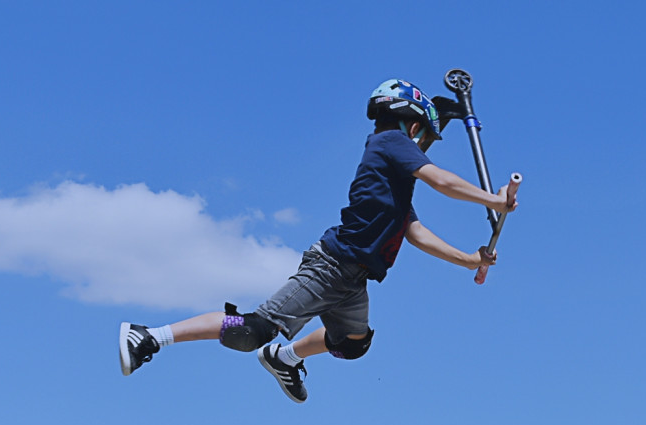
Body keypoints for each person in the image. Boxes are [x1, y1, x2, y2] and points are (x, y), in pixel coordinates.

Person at [119, 78, 517, 403]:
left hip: (353, 280)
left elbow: (416, 233)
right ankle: (149, 335)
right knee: (252, 330)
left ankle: (283, 359)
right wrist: (493, 200)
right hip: (331, 266)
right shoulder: (390, 142)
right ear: (412, 127)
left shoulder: (393, 183)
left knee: (353, 343)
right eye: (425, 139)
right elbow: (441, 180)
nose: (422, 150)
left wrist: (468, 259)